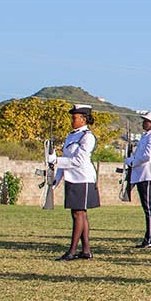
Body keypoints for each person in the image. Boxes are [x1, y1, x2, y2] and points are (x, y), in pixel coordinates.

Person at [51, 104, 101, 261]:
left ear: (83, 119)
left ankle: (72, 251)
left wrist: (56, 160)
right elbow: (65, 160)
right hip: (72, 178)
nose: (72, 120)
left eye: (75, 118)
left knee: (78, 213)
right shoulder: (71, 136)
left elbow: (78, 160)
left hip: (83, 178)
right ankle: (86, 250)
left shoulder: (87, 137)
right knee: (79, 214)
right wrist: (56, 180)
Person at [127, 110, 151, 249]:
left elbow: (147, 155)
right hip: (143, 174)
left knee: (150, 208)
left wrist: (132, 162)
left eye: (146, 121)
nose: (144, 123)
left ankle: (150, 239)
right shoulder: (146, 136)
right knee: (150, 208)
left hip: (149, 174)